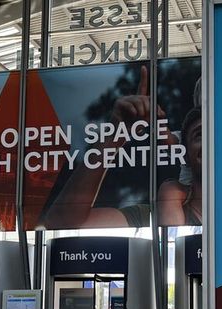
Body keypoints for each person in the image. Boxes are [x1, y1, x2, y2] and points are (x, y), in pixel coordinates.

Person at [43, 65, 201, 228]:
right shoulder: (158, 214)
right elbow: (62, 222)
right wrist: (115, 134)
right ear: (185, 153)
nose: (216, 141)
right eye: (200, 134)